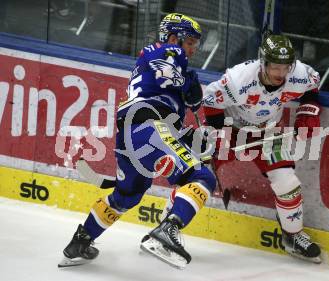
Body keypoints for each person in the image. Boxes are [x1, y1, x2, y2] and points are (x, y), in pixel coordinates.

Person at [58, 13, 216, 269]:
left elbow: (175, 108)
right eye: (191, 43)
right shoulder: (169, 51)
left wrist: (191, 137)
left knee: (127, 195)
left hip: (133, 134)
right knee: (202, 178)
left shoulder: (166, 66)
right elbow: (171, 76)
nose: (193, 50)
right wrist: (188, 83)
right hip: (149, 127)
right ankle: (169, 229)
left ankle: (80, 241)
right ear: (175, 37)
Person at [202, 33, 322, 263]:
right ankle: (171, 222)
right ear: (263, 63)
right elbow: (210, 101)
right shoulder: (239, 80)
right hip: (231, 127)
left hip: (268, 133)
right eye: (276, 67)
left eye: (286, 67)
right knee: (198, 172)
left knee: (288, 182)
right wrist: (220, 133)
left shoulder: (300, 74)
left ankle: (293, 236)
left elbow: (312, 87)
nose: (281, 74)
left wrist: (309, 108)